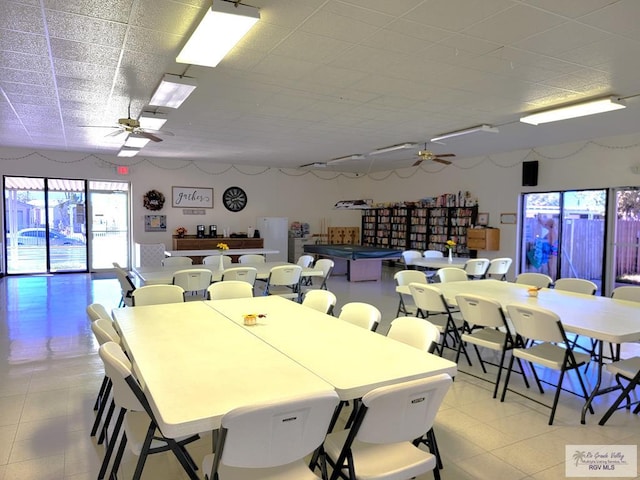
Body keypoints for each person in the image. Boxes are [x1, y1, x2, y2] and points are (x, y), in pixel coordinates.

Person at [537, 215, 558, 281]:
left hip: (552, 251)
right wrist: (539, 219)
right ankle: (551, 279)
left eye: (547, 223)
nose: (545, 225)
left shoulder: (552, 231)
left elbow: (552, 243)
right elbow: (543, 224)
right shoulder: (551, 229)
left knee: (551, 266)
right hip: (553, 250)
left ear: (549, 224)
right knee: (550, 266)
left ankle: (552, 280)